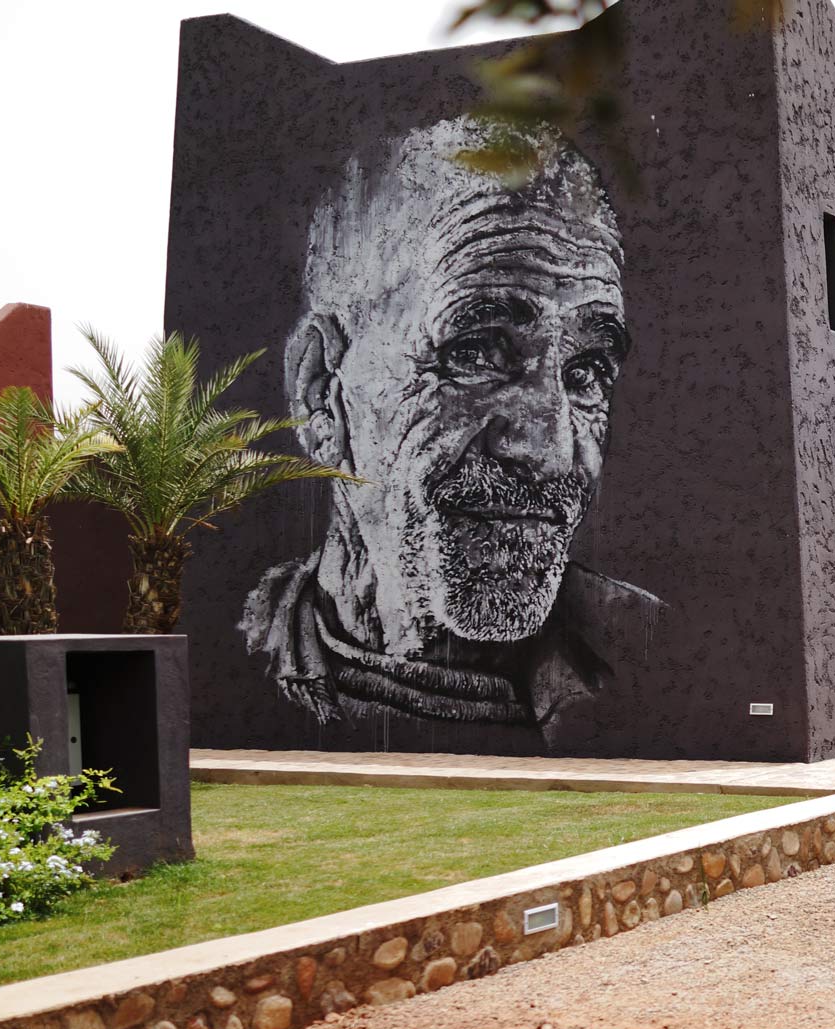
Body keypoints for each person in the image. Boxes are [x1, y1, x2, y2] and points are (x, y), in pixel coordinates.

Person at [240, 116, 659, 747]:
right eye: (476, 352)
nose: (553, 451)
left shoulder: (650, 649)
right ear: (324, 394)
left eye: (586, 371)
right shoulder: (245, 646)